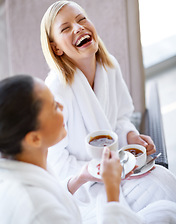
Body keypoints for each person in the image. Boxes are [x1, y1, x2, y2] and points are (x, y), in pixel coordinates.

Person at [40, 0, 176, 223]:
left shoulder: (109, 66)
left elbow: (122, 116)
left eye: (82, 19)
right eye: (66, 28)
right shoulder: (56, 90)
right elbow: (55, 161)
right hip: (85, 190)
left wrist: (131, 136)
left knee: (165, 181)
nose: (78, 27)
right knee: (164, 200)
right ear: (56, 48)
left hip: (120, 171)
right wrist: (94, 171)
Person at [0, 74, 144, 224]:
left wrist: (79, 178)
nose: (62, 107)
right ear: (34, 138)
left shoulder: (25, 160)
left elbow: (54, 196)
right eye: (54, 107)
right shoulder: (38, 210)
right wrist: (112, 188)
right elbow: (49, 208)